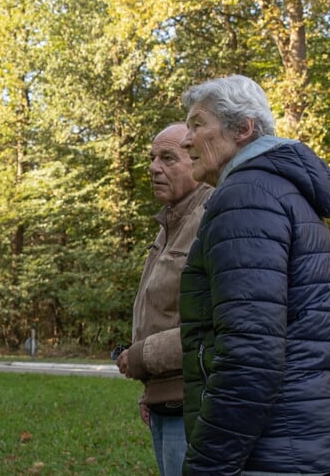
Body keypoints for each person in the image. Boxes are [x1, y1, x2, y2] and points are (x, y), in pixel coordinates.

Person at [178, 75, 330, 475]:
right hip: (304, 446)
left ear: (243, 128)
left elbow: (249, 353)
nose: (186, 141)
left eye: (197, 124)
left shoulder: (246, 196)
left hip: (268, 454)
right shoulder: (280, 190)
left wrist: (207, 466)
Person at [116, 123, 212, 476]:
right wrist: (151, 390)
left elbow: (215, 326)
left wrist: (141, 356)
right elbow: (166, 311)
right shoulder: (170, 222)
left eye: (168, 158)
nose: (154, 168)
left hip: (195, 404)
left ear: (198, 161)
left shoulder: (211, 219)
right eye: (153, 158)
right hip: (166, 399)